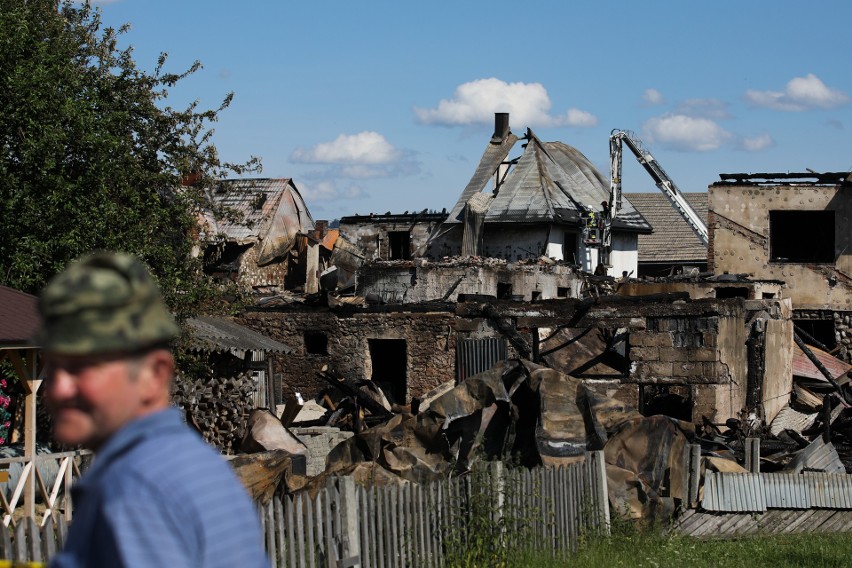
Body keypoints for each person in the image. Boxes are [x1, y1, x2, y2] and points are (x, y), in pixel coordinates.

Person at [37, 252, 270, 568]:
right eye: (52, 365)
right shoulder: (196, 466)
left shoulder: (134, 489)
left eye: (83, 367)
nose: (59, 388)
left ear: (154, 375)